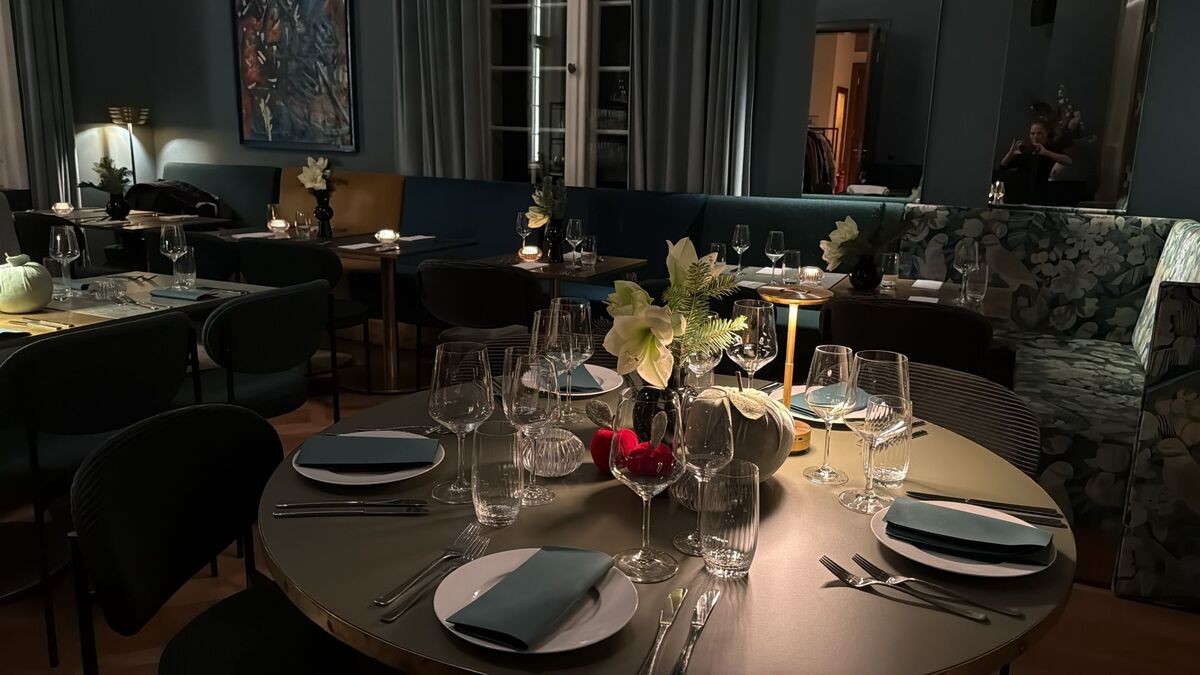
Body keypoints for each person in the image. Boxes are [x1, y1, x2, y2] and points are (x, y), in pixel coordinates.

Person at [997, 120, 1073, 204]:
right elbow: (1003, 166)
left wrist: (1046, 153)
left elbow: (1068, 161)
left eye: (1039, 133)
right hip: (1021, 192)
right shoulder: (1024, 150)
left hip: (1042, 192)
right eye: (1032, 134)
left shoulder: (1050, 149)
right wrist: (1011, 153)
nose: (1035, 137)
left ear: (1046, 134)